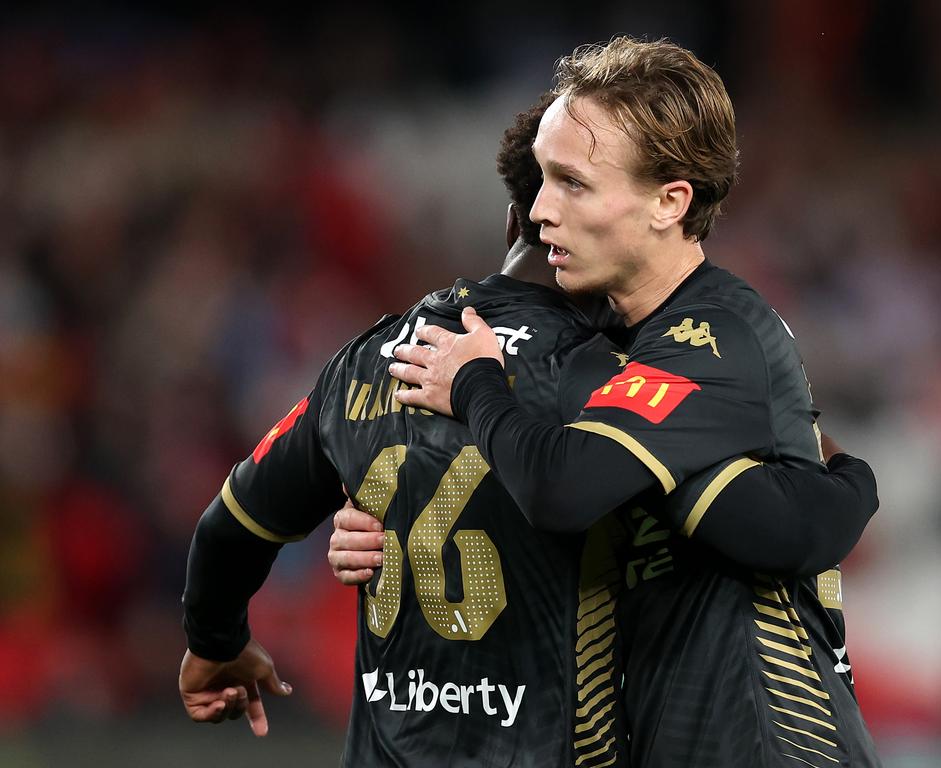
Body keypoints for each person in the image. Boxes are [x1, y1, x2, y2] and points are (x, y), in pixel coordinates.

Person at [180, 90, 877, 766]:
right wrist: (848, 479)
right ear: (537, 217)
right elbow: (771, 524)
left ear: (508, 223)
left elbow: (227, 528)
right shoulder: (604, 377)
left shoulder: (365, 361)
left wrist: (215, 643)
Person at [387, 37, 882, 766]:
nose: (541, 211)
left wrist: (475, 384)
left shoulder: (714, 332)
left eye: (573, 184)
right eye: (540, 183)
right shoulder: (618, 342)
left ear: (669, 201)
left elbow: (562, 486)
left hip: (765, 741)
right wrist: (378, 523)